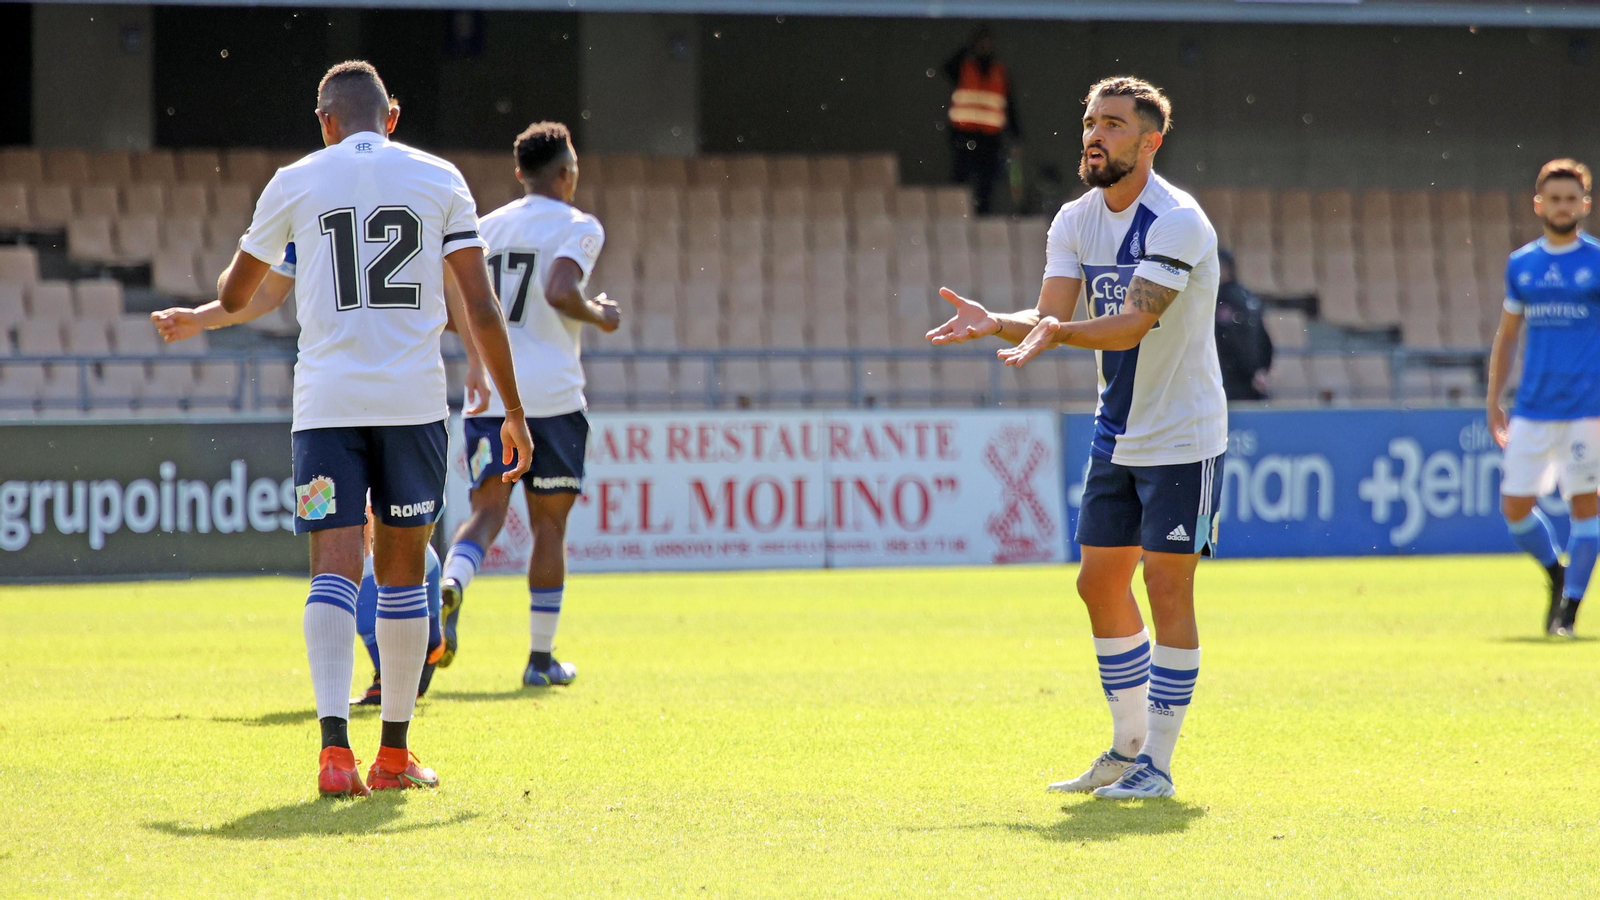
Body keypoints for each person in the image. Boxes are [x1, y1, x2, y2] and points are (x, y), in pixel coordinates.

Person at [197, 60, 532, 798]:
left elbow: (234, 293)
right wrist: (511, 408)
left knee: (334, 569)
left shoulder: (295, 180)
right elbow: (479, 306)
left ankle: (331, 755)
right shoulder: (441, 178)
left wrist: (246, 273)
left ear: (324, 122)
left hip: (325, 410)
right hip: (411, 407)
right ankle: (393, 756)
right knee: (406, 575)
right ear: (392, 116)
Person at [927, 77, 1225, 800]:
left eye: (1114, 124)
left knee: (1166, 588)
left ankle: (1159, 760)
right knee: (1098, 584)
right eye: (1090, 121)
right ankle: (1125, 751)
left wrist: (1051, 331)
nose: (1095, 135)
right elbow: (1051, 314)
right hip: (1115, 432)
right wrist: (996, 321)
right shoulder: (1073, 218)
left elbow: (1129, 324)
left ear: (1150, 142)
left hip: (1183, 435)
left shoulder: (1178, 220)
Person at [437, 121, 620, 688]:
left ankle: (453, 585)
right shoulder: (578, 226)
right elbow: (560, 289)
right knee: (548, 528)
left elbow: (452, 302)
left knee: (486, 512)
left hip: (493, 391)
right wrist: (598, 314)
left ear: (519, 174)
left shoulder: (485, 227)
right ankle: (540, 661)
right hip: (553, 397)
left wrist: (473, 352)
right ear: (567, 174)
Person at [1486, 158, 1600, 638]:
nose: (1562, 206)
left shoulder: (1595, 261)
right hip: (1532, 407)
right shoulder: (1523, 264)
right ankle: (1556, 572)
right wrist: (1494, 399)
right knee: (1513, 506)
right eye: (1553, 198)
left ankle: (1569, 612)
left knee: (1586, 506)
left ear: (1585, 205)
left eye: (1570, 199)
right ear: (1539, 205)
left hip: (1586, 409)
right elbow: (1508, 335)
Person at [944, 26, 1021, 216]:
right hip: (964, 133)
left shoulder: (999, 71)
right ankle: (956, 213)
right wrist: (966, 49)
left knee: (986, 180)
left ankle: (982, 215)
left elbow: (1008, 104)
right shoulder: (964, 67)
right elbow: (947, 67)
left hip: (990, 137)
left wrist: (1016, 134)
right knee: (961, 177)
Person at [1213, 248, 1274, 402]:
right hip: (1248, 377)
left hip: (1231, 378)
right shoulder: (1247, 295)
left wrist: (1256, 371)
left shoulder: (1222, 298)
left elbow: (1240, 339)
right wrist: (1259, 370)